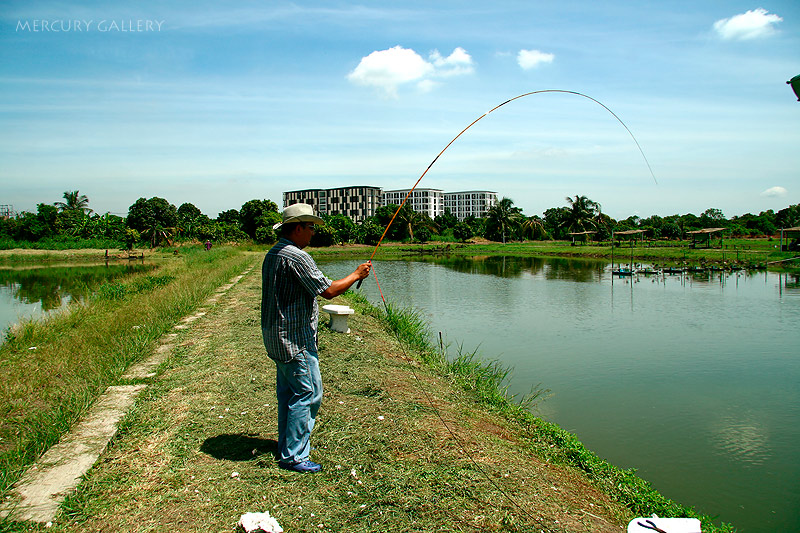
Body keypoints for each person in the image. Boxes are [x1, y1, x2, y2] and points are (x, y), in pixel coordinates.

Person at [261, 203, 371, 473]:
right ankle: (294, 456)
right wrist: (357, 274)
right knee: (309, 393)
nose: (312, 233)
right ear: (298, 228)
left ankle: (287, 447)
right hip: (294, 340)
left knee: (290, 392)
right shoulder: (296, 256)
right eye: (310, 228)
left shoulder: (274, 253)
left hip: (276, 337)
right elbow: (329, 291)